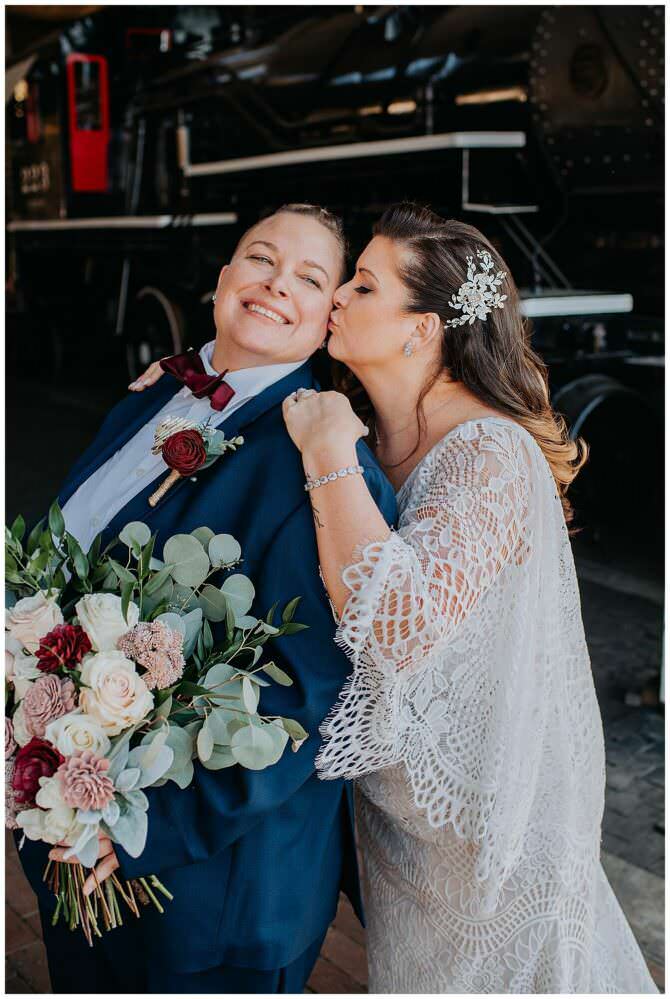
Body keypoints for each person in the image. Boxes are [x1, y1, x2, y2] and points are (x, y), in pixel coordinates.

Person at [16, 204, 397, 994]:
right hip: (70, 841)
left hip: (205, 897)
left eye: (308, 276)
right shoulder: (150, 398)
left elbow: (306, 696)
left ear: (331, 315)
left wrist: (146, 833)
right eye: (259, 259)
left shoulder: (321, 469)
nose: (273, 284)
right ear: (222, 281)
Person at [281, 202, 658, 994]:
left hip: (499, 829)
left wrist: (324, 449)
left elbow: (395, 627)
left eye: (365, 285)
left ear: (422, 330)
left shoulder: (487, 451)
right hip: (405, 826)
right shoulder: (372, 426)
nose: (339, 295)